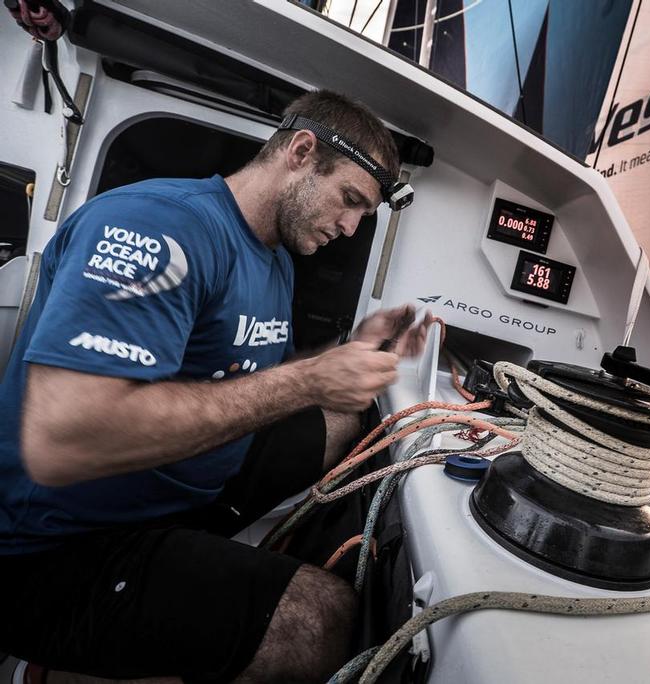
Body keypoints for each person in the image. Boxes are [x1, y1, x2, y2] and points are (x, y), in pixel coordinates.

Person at [0, 89, 431, 683]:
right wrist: (310, 379)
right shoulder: (156, 227)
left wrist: (349, 354)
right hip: (58, 546)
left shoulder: (273, 258)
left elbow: (250, 380)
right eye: (351, 201)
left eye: (366, 216)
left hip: (181, 493)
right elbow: (63, 441)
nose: (353, 227)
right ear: (301, 152)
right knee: (321, 619)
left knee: (344, 424)